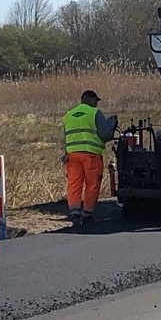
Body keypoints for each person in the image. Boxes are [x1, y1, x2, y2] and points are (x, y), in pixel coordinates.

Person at [61, 89, 116, 225]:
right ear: (89, 99)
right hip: (91, 156)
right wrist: (111, 126)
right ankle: (87, 214)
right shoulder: (94, 113)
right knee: (92, 184)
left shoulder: (68, 115)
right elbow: (105, 135)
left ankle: (74, 212)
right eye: (95, 101)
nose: (96, 104)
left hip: (72, 156)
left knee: (74, 184)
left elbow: (67, 136)